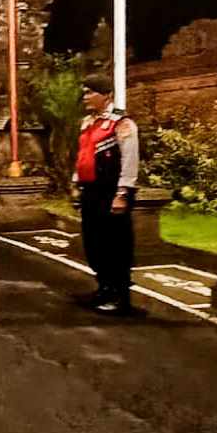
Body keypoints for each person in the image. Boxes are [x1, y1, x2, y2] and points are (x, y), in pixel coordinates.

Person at [73, 73, 140, 315]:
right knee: (94, 242)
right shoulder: (87, 123)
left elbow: (130, 161)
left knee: (116, 244)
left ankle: (120, 297)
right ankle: (103, 288)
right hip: (91, 190)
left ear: (107, 95)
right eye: (84, 92)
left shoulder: (121, 123)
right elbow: (82, 155)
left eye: (90, 92)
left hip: (111, 191)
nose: (85, 97)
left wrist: (123, 193)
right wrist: (76, 182)